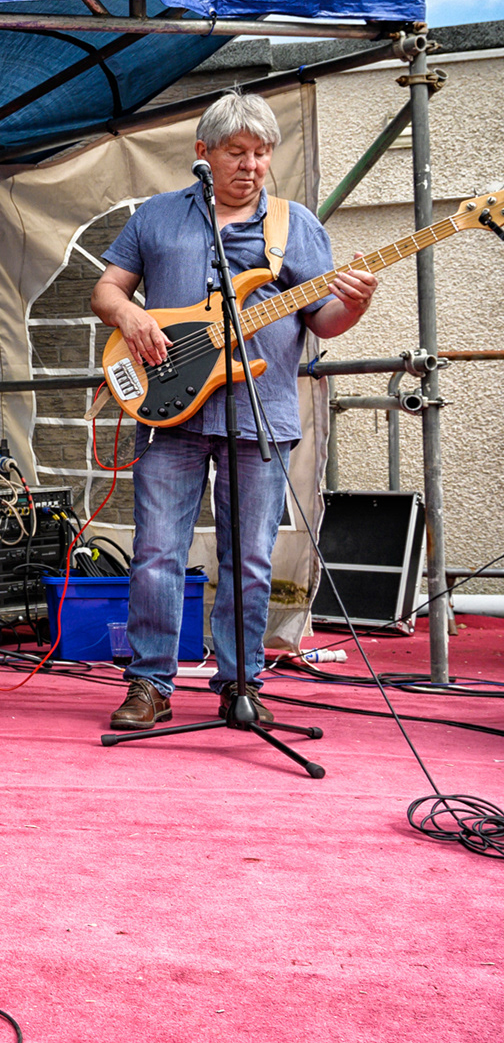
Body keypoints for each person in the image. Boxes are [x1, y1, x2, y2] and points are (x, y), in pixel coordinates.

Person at [90, 92, 376, 731]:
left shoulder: (293, 224)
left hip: (259, 414)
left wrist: (353, 304)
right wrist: (130, 314)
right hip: (170, 411)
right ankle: (148, 685)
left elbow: (322, 319)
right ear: (204, 154)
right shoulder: (158, 218)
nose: (251, 165)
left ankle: (240, 683)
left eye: (262, 153)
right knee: (158, 552)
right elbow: (106, 287)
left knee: (247, 559)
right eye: (236, 152)